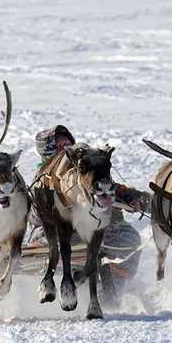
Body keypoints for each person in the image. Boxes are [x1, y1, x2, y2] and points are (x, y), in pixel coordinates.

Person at [29, 125, 151, 303]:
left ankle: (116, 288)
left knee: (129, 238)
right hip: (56, 233)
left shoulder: (87, 168)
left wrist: (136, 199)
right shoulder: (42, 178)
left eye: (68, 143)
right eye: (60, 145)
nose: (66, 148)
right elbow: (34, 213)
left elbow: (111, 189)